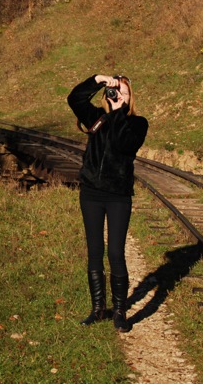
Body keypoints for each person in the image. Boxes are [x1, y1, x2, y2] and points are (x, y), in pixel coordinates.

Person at [68, 74, 148, 333]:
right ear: (106, 95)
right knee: (94, 252)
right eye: (114, 92)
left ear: (130, 97)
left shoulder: (137, 123)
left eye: (123, 93)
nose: (118, 96)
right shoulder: (96, 119)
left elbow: (125, 143)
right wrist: (98, 79)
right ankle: (97, 309)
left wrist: (119, 113)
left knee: (115, 252)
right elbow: (74, 98)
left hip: (118, 197)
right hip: (91, 193)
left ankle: (120, 312)